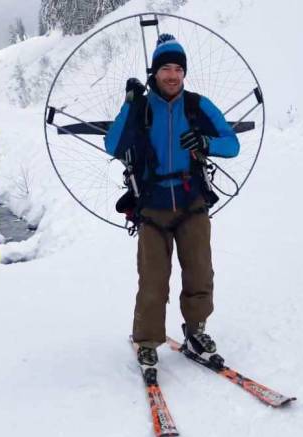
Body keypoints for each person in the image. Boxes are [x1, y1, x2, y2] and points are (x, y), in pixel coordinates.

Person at [104, 34, 240, 377]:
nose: (173, 75)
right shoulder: (143, 107)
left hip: (192, 202)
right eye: (166, 68)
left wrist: (206, 141)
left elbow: (232, 144)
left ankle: (196, 332)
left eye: (178, 68)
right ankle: (147, 341)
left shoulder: (197, 106)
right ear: (155, 72)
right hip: (152, 207)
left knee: (199, 271)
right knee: (153, 279)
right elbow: (113, 144)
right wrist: (130, 103)